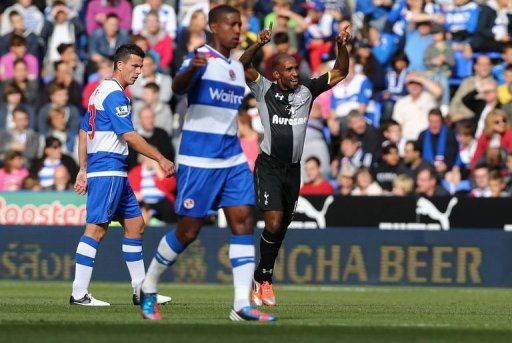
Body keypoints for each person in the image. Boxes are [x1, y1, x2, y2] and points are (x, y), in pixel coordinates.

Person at [139, 6, 275, 322]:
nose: (237, 29)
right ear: (214, 27)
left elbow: (239, 65)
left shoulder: (234, 66)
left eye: (240, 25)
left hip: (231, 157)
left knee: (243, 219)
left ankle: (241, 305)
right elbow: (177, 86)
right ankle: (149, 286)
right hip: (199, 159)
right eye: (231, 24)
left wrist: (257, 46)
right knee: (188, 232)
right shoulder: (200, 56)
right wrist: (192, 70)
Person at [239, 20, 351, 308]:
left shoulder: (307, 91)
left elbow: (341, 71)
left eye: (295, 68)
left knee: (281, 228)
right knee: (273, 221)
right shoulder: (263, 89)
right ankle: (263, 280)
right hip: (269, 166)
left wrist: (341, 46)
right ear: (276, 73)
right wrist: (258, 44)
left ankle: (262, 277)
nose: (294, 73)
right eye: (288, 70)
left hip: (293, 168)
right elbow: (243, 64)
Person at [70, 44, 175, 307]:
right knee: (96, 230)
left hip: (113, 171)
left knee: (135, 226)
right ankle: (78, 293)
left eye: (141, 66)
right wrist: (160, 158)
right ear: (119, 65)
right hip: (107, 170)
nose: (139, 72)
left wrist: (83, 169)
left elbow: (84, 131)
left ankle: (140, 291)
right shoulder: (115, 95)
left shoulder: (99, 90)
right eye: (135, 66)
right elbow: (128, 135)